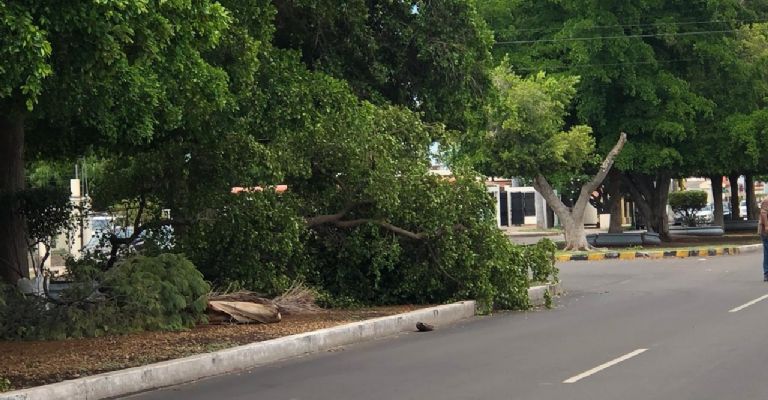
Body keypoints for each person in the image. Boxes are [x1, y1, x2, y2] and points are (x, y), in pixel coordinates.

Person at [760, 197, 768, 281]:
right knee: (767, 252)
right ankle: (766, 273)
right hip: (766, 232)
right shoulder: (766, 201)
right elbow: (763, 213)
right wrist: (766, 226)